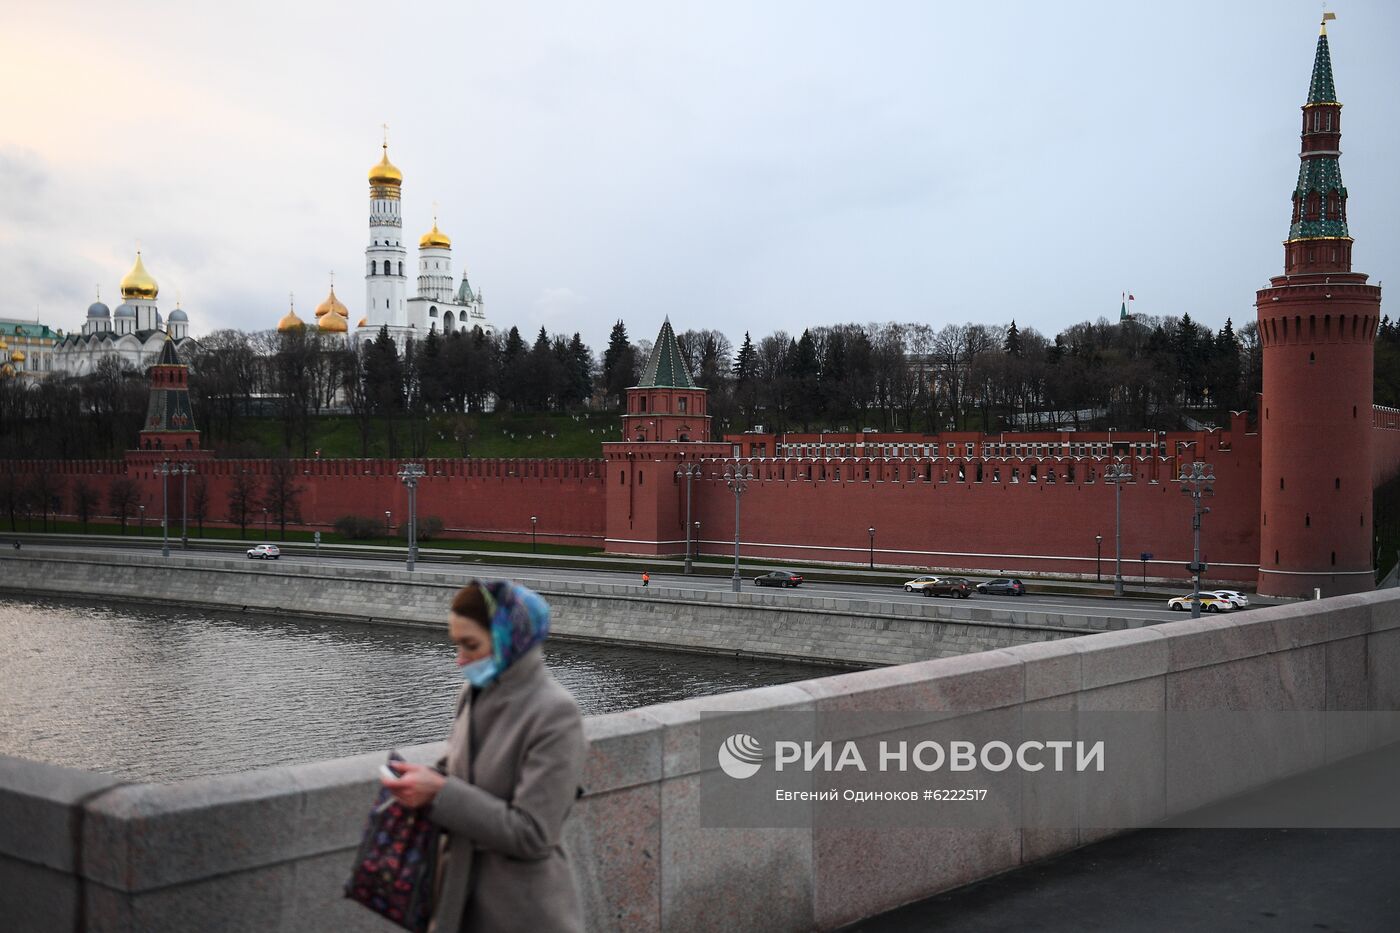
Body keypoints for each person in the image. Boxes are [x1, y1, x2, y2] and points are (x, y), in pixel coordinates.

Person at [382, 580, 586, 933]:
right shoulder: (474, 691)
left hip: (521, 912)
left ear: (510, 639)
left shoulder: (555, 713)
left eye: (470, 645)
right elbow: (460, 768)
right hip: (456, 897)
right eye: (456, 644)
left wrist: (440, 792)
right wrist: (421, 777)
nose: (460, 659)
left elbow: (534, 834)